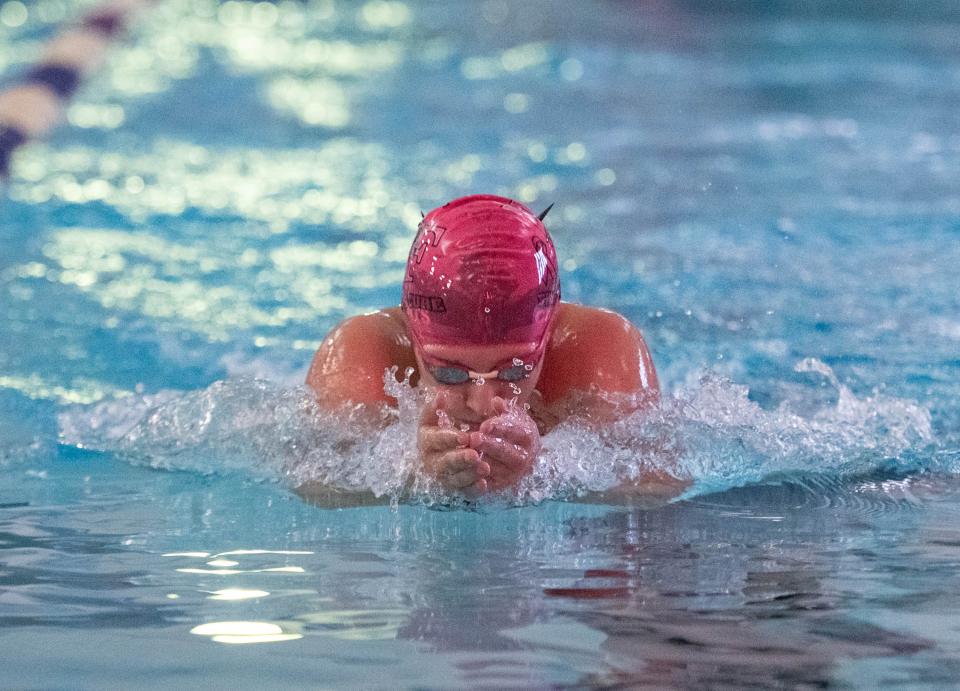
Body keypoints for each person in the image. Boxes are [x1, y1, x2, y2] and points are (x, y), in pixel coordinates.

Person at [307, 194, 676, 496]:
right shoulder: (359, 355)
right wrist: (412, 471)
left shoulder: (601, 351)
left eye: (515, 369)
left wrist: (544, 468)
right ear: (412, 338)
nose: (482, 403)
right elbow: (312, 487)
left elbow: (658, 491)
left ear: (549, 333)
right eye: (449, 372)